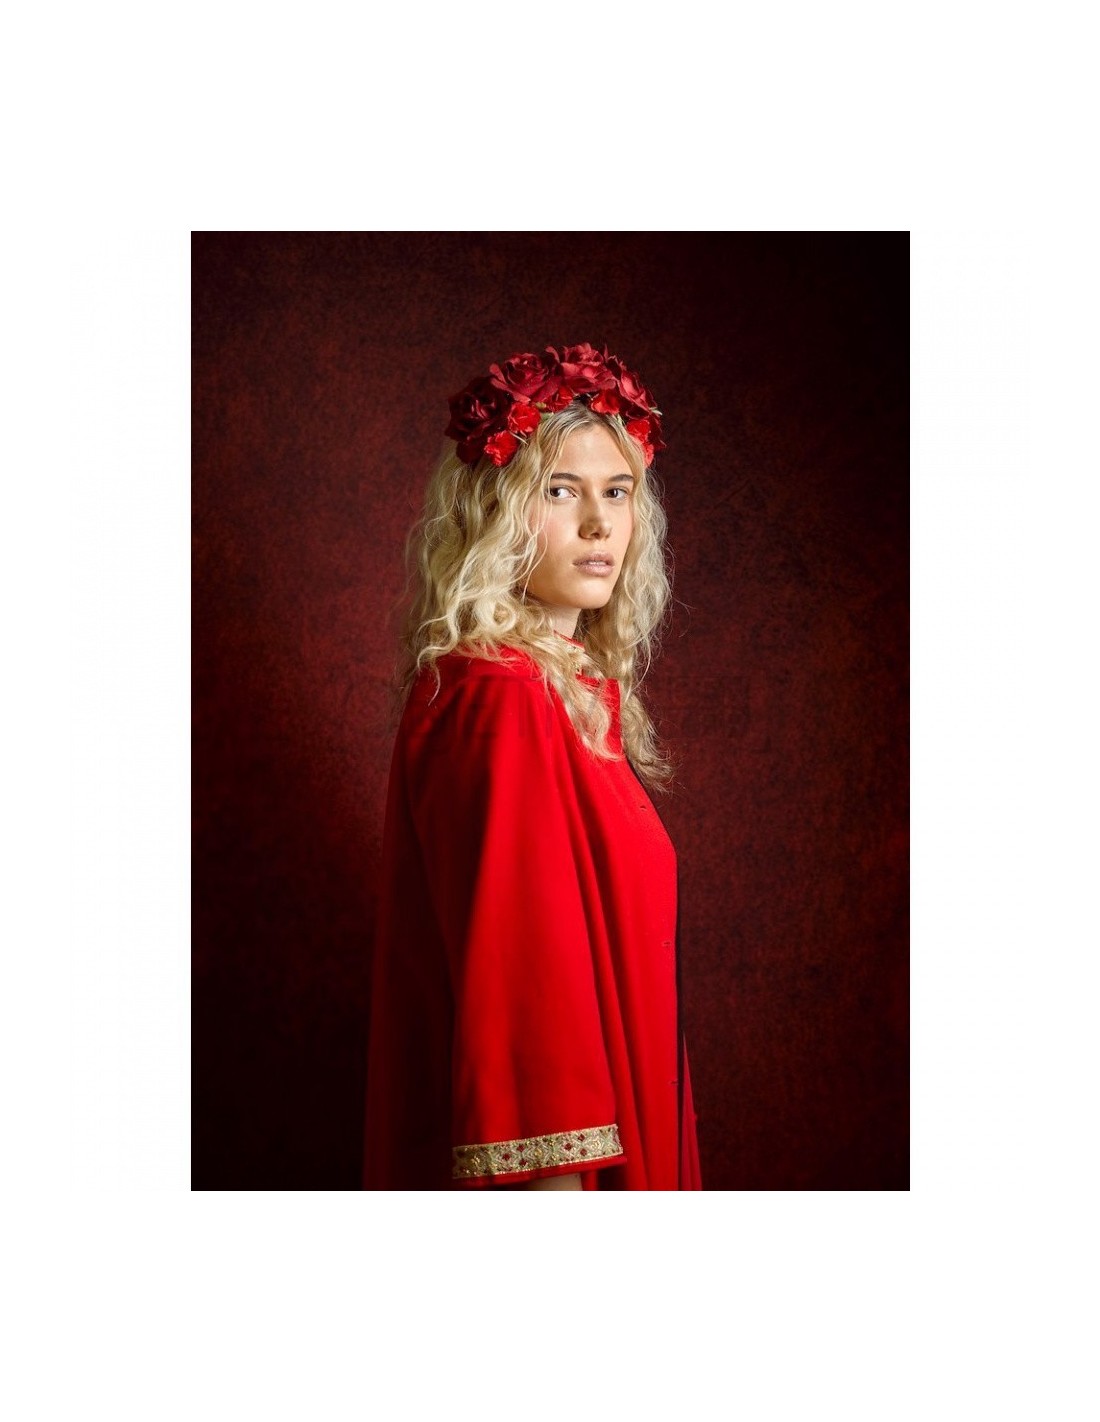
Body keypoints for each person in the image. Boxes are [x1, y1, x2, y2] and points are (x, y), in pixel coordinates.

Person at [362, 343, 701, 1190]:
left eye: (616, 492)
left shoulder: (562, 692)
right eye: (559, 491)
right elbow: (525, 1001)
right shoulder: (501, 697)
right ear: (496, 512)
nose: (598, 524)